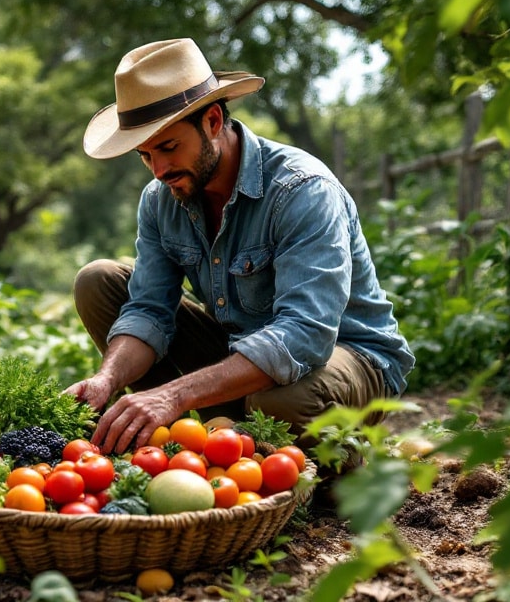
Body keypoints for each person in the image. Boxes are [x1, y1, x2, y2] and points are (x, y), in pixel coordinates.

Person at [65, 37, 414, 456]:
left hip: (346, 361)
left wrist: (174, 394)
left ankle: (342, 457)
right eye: (144, 155)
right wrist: (108, 379)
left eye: (169, 147)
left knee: (279, 405)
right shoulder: (162, 200)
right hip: (239, 357)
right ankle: (174, 451)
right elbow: (148, 311)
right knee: (99, 281)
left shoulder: (302, 190)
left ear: (213, 121)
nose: (158, 171)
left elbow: (305, 335)